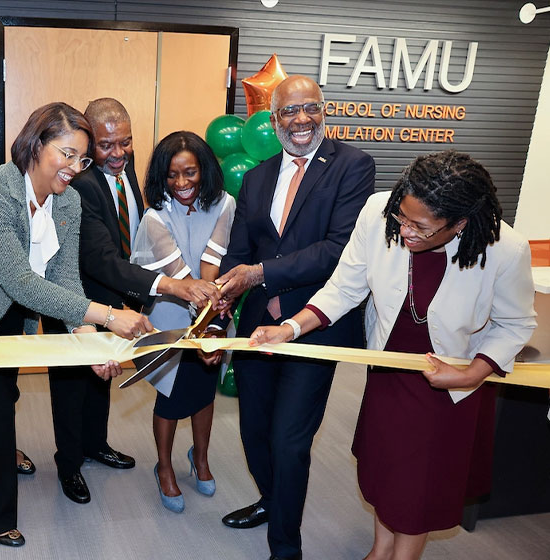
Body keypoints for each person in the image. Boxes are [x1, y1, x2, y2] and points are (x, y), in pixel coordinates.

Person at [248, 150, 536, 560]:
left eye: (422, 227)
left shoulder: (505, 248)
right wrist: (290, 328)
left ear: (459, 225)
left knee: (418, 488)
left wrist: (473, 373)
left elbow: (515, 325)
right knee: (386, 473)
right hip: (389, 366)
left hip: (450, 382)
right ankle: (380, 550)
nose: (406, 231)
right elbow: (344, 287)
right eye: (403, 217)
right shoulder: (378, 212)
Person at [0, 102, 152, 547]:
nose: (74, 168)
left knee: (6, 390)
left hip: (11, 310)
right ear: (36, 144)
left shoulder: (69, 201)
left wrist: (90, 344)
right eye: (65, 154)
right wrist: (108, 316)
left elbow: (63, 279)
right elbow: (22, 281)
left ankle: (5, 452)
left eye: (82, 159)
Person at [213, 75, 375, 560]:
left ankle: (285, 546)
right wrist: (219, 310)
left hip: (316, 325)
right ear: (273, 118)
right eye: (289, 111)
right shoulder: (259, 176)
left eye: (311, 109)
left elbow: (339, 249)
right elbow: (238, 250)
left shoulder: (353, 166)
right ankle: (270, 499)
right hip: (258, 326)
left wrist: (260, 272)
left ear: (324, 110)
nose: (301, 120)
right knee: (254, 431)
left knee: (289, 441)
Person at [50, 98, 220, 505]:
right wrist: (173, 286)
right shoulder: (79, 185)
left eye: (125, 142)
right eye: (107, 145)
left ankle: (96, 445)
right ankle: (69, 464)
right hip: (79, 301)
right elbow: (102, 261)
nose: (119, 153)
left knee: (102, 382)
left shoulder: (128, 171)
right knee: (72, 389)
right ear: (90, 143)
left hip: (120, 301)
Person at [130, 131, 234, 512]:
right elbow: (184, 281)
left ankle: (200, 458)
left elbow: (212, 264)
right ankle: (164, 467)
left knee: (205, 393)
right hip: (171, 316)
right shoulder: (156, 216)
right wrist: (204, 308)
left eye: (190, 173)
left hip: (213, 309)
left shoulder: (225, 204)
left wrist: (211, 322)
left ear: (204, 171)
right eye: (172, 175)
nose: (182, 183)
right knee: (171, 397)